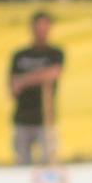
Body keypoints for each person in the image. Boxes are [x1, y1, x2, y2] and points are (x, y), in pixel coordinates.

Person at [8, 10, 65, 165]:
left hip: (45, 118)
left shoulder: (54, 53)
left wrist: (25, 79)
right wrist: (34, 79)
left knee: (49, 161)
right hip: (23, 118)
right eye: (38, 25)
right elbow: (13, 86)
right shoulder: (20, 56)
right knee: (22, 163)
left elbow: (53, 74)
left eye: (45, 25)